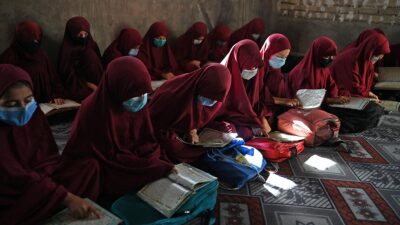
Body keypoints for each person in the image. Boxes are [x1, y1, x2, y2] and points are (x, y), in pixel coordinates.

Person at [0, 64, 100, 225]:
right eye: (12, 105)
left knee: (88, 167)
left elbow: (49, 156)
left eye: (28, 100)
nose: (24, 109)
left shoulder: (34, 116)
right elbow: (15, 176)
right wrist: (64, 196)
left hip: (41, 178)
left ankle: (52, 206)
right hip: (15, 192)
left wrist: (52, 182)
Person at [62, 57, 174, 197]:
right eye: (136, 95)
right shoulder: (93, 110)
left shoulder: (138, 105)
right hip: (107, 163)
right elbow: (106, 156)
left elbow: (146, 139)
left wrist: (150, 158)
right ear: (117, 87)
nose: (142, 99)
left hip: (127, 157)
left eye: (145, 93)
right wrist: (148, 165)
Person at [149, 63, 231, 163]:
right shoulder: (174, 93)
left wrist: (193, 129)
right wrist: (188, 130)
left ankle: (199, 152)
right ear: (201, 84)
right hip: (168, 129)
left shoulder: (217, 97)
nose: (212, 102)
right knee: (174, 147)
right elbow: (155, 125)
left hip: (193, 131)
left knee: (227, 130)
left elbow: (203, 118)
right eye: (208, 96)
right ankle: (199, 153)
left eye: (216, 99)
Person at [330, 33, 390, 133]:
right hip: (338, 99)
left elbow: (362, 86)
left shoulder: (366, 62)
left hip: (355, 98)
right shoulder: (349, 59)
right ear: (371, 50)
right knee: (374, 111)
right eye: (379, 54)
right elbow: (350, 88)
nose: (380, 57)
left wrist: (369, 95)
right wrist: (368, 97)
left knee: (377, 110)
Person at [0, 21, 66, 104]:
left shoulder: (42, 55)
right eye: (29, 40)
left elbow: (53, 78)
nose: (34, 44)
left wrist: (56, 95)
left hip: (47, 104)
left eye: (36, 40)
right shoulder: (9, 57)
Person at [216, 39, 268, 140]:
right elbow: (219, 111)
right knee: (237, 133)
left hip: (244, 119)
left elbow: (257, 101)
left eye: (255, 67)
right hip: (224, 119)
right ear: (238, 62)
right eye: (249, 67)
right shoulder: (221, 77)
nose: (253, 70)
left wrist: (260, 118)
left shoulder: (254, 77)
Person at [287, 36, 350, 105]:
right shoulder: (302, 73)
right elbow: (305, 100)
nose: (331, 59)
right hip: (302, 110)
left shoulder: (323, 69)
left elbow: (332, 87)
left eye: (332, 56)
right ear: (317, 54)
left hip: (321, 107)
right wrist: (332, 100)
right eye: (326, 56)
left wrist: (341, 96)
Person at [58, 16, 104, 102]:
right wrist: (88, 84)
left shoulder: (92, 45)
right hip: (78, 86)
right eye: (80, 34)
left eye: (85, 34)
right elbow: (67, 76)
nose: (83, 37)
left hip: (98, 85)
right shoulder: (67, 51)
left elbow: (99, 69)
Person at [259, 33, 300, 128]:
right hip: (261, 116)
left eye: (285, 57)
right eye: (280, 56)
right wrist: (284, 101)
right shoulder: (258, 70)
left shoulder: (276, 70)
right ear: (269, 51)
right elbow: (258, 97)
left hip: (275, 115)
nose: (282, 61)